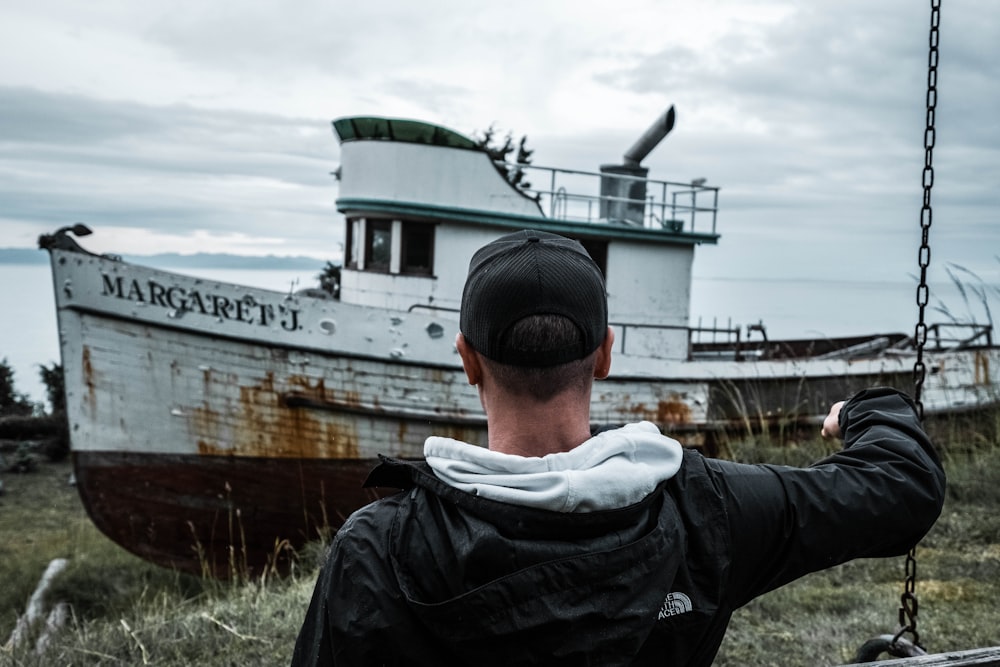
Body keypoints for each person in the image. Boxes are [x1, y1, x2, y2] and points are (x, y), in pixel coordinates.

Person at [291, 229, 946, 666]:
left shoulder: (377, 549)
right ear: (605, 354)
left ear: (466, 358)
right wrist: (867, 410)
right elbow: (902, 488)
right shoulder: (705, 508)